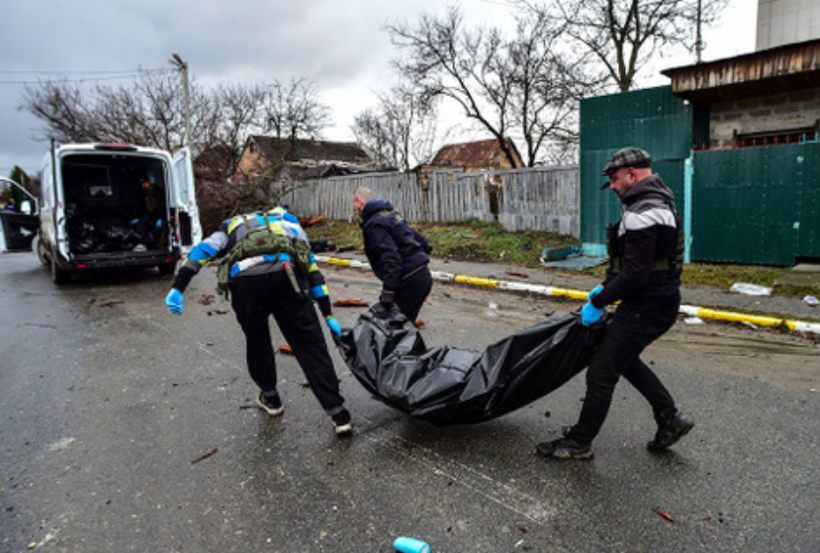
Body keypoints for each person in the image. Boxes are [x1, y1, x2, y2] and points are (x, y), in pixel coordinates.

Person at [537, 147, 693, 460]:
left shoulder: (643, 212)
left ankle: (580, 443)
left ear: (632, 175)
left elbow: (635, 273)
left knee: (602, 371)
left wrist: (599, 298)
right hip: (653, 301)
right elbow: (637, 266)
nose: (611, 185)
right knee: (624, 361)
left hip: (646, 306)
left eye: (614, 178)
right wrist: (607, 287)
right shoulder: (655, 202)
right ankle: (669, 418)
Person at [164, 206, 353, 436]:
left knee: (257, 341)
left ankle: (271, 398)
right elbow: (312, 270)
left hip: (246, 285)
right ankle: (338, 413)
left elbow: (202, 251)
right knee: (310, 345)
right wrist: (327, 313)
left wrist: (178, 287)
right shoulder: (290, 226)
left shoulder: (233, 225)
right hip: (287, 277)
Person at [352, 187, 433, 322]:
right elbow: (418, 239)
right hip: (422, 277)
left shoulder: (373, 224)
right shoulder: (391, 214)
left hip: (409, 280)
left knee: (393, 329)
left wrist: (388, 292)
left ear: (360, 202)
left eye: (354, 207)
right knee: (405, 329)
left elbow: (390, 257)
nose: (355, 211)